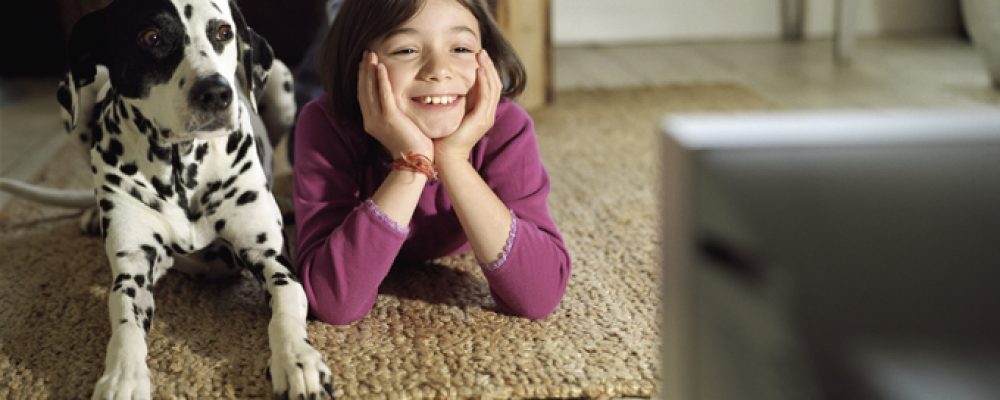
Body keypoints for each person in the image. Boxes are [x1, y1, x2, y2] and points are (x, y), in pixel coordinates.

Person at [292, 0, 571, 325]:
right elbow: (333, 302)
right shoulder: (324, 125)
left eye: (461, 48)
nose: (439, 69)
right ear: (360, 64)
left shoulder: (507, 126)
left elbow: (540, 295)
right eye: (406, 50)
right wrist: (412, 165)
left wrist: (453, 160)